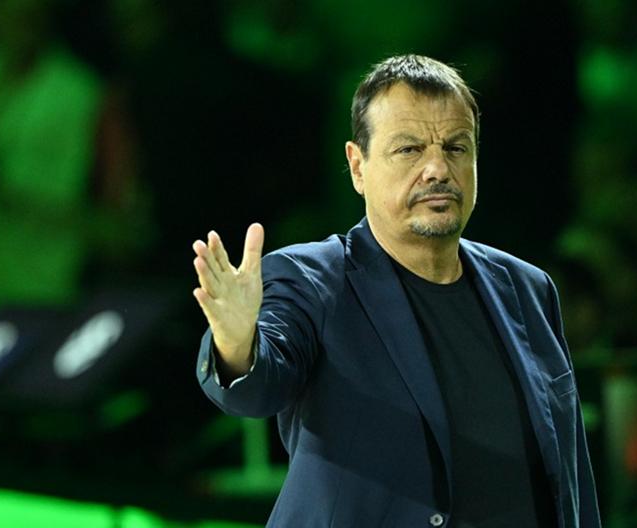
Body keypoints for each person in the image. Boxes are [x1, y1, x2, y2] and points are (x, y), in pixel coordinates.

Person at [193, 54, 601, 527]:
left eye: (456, 147)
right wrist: (238, 345)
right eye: (409, 150)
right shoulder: (311, 280)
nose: (437, 169)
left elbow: (569, 476)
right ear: (357, 166)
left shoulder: (528, 288)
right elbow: (257, 391)